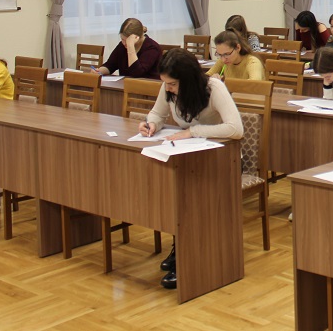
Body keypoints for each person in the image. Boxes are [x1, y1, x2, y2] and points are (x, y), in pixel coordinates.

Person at [139, 47, 244, 290]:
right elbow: (157, 114)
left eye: (173, 84)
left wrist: (193, 131)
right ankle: (180, 247)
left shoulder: (213, 88)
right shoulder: (168, 87)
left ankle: (192, 256)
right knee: (172, 191)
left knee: (187, 196)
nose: (168, 88)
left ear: (187, 79)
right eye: (166, 83)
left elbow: (235, 128)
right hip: (187, 157)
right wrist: (151, 124)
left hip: (221, 161)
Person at [97, 17, 162, 79]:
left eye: (127, 41)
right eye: (122, 39)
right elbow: (110, 65)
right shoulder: (122, 46)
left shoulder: (152, 47)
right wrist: (99, 71)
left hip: (147, 85)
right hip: (126, 84)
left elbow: (136, 73)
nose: (124, 43)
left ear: (137, 37)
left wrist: (130, 47)